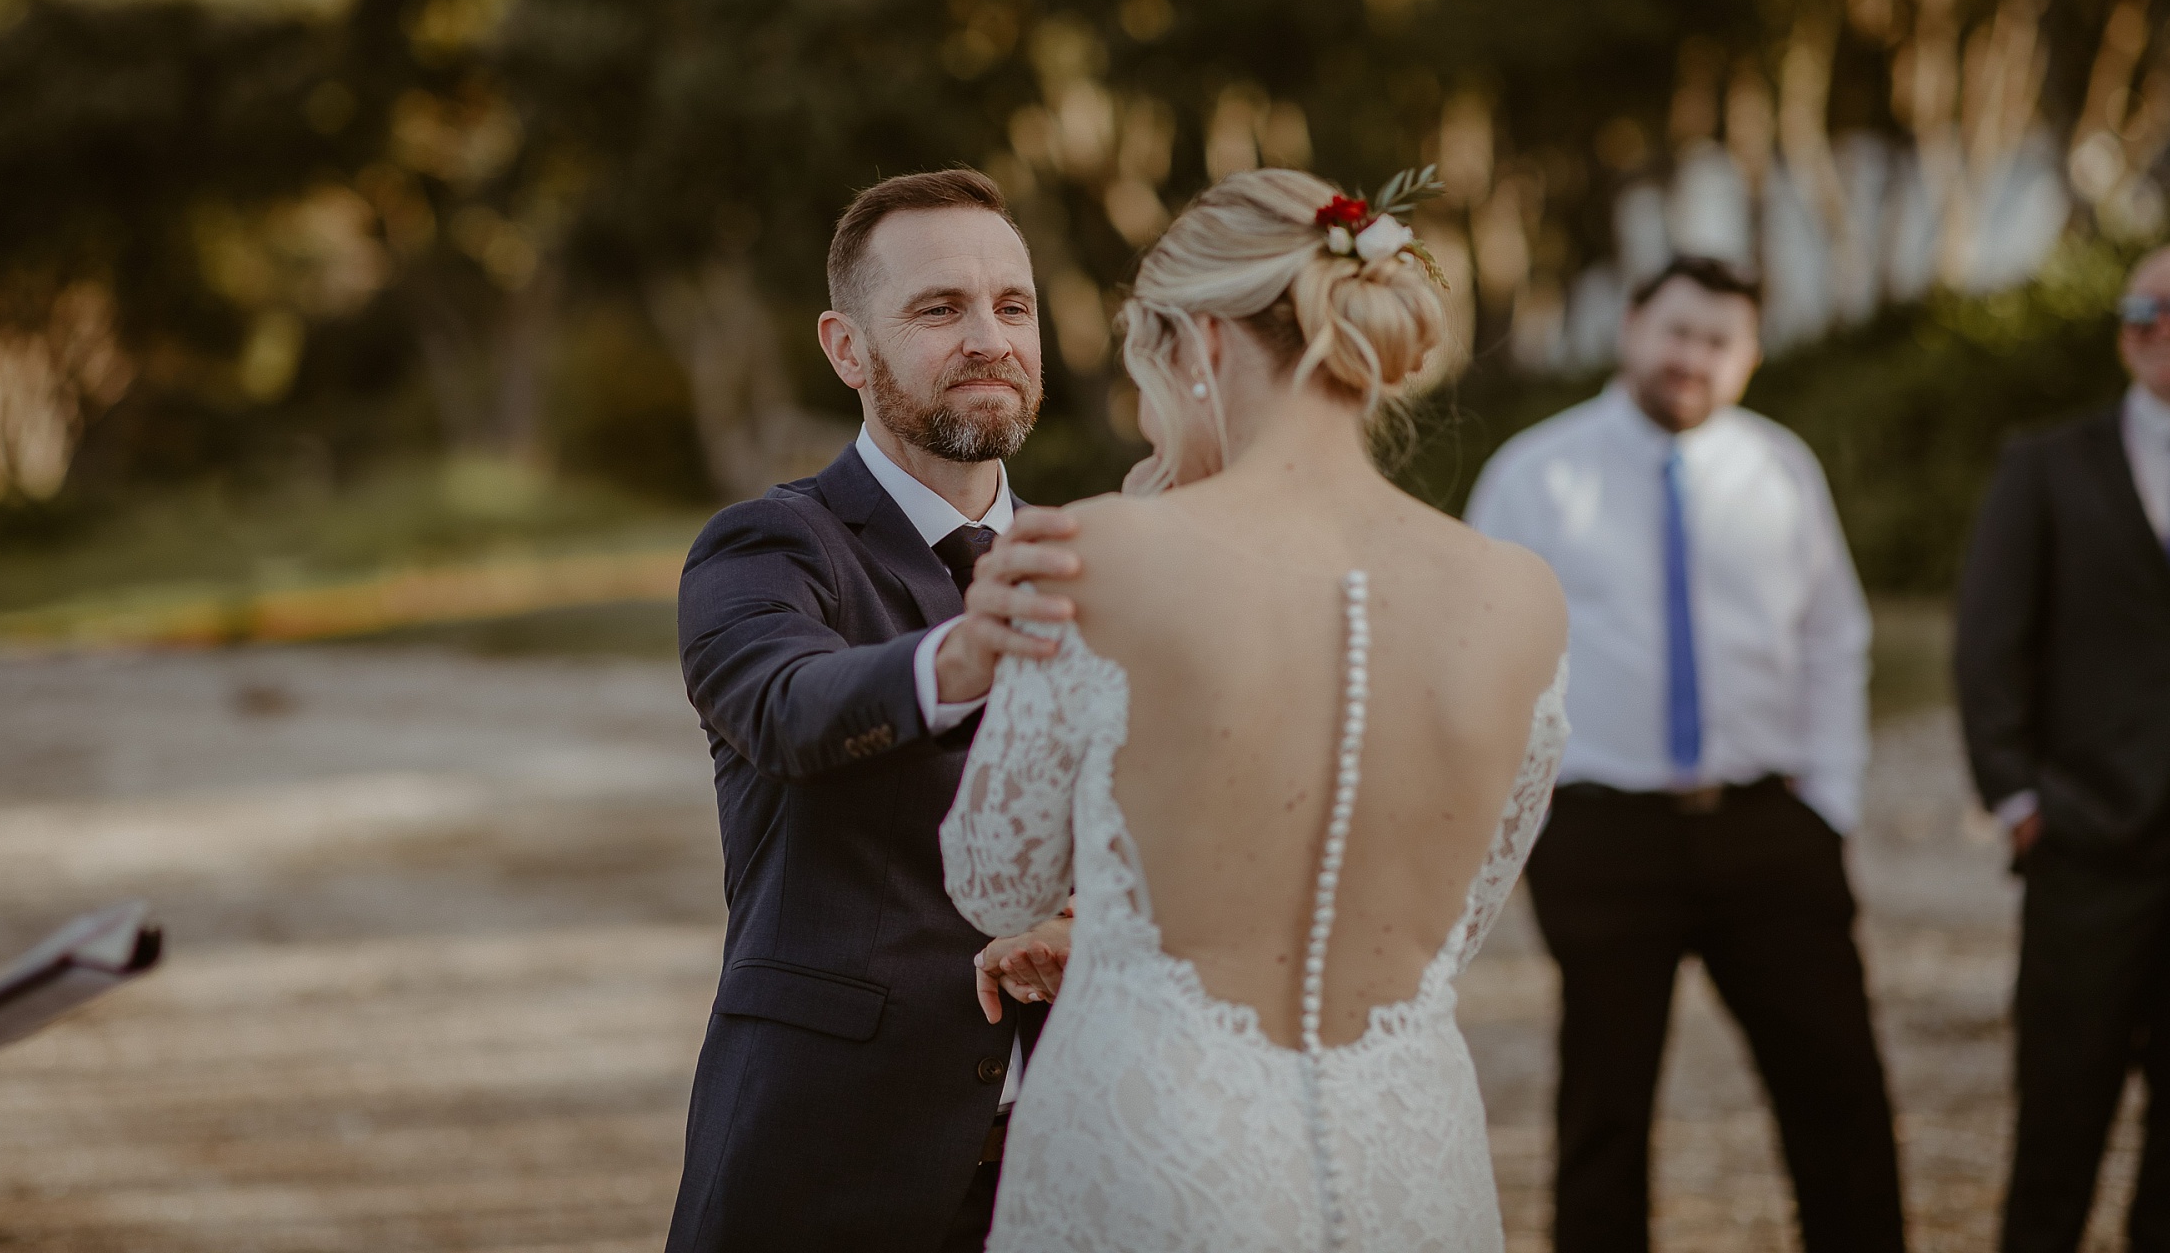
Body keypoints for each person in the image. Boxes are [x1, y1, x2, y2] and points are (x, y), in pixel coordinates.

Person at [940, 167, 1571, 1251]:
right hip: (1410, 1156)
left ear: (1202, 348)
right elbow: (1454, 922)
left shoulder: (1101, 550)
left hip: (1156, 1145)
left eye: (1148, 370)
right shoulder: (1519, 594)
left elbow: (996, 878)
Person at [667, 168, 1074, 1253]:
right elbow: (789, 706)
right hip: (827, 1167)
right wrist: (967, 652)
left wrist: (1099, 924)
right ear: (847, 349)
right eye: (940, 308)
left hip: (1076, 1166)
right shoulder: (768, 546)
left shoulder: (1096, 559)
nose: (989, 337)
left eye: (1014, 306)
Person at [1466, 254, 1907, 1253]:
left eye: (1719, 340)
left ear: (1748, 355)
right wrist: (1523, 824)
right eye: (1676, 332)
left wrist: (1829, 797)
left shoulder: (1781, 468)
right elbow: (1481, 656)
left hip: (1770, 823)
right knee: (1606, 1107)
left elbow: (1836, 637)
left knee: (1838, 1085)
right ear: (1632, 329)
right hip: (1602, 833)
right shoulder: (1537, 474)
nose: (1692, 357)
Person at [1956, 242, 2170, 1253]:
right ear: (2123, 334)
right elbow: (1988, 645)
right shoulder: (2047, 462)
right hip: (2085, 846)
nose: (2165, 328)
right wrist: (2019, 802)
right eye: (2143, 312)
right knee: (2058, 1136)